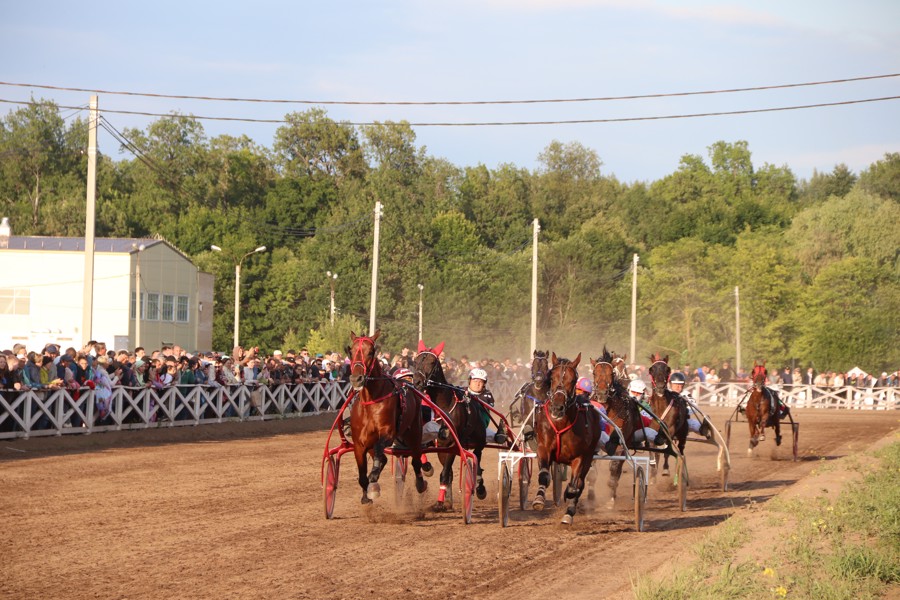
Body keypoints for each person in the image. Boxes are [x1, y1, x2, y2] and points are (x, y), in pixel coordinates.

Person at [668, 372, 712, 440]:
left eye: (680, 385)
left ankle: (703, 429)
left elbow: (694, 406)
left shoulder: (686, 394)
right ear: (670, 384)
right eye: (676, 384)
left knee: (692, 423)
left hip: (682, 422)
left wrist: (683, 412)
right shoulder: (666, 394)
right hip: (667, 422)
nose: (678, 387)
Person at [466, 368, 505, 444]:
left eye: (480, 382)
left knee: (497, 438)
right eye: (475, 381)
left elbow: (485, 407)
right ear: (469, 381)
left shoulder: (487, 395)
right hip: (463, 424)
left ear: (484, 384)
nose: (477, 384)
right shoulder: (461, 391)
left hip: (481, 426)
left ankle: (500, 434)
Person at [626, 378, 662, 446]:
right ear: (628, 390)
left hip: (634, 434)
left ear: (643, 394)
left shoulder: (645, 407)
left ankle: (658, 439)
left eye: (638, 393)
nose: (635, 395)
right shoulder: (621, 403)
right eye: (633, 392)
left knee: (648, 431)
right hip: (619, 434)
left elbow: (648, 423)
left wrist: (636, 416)